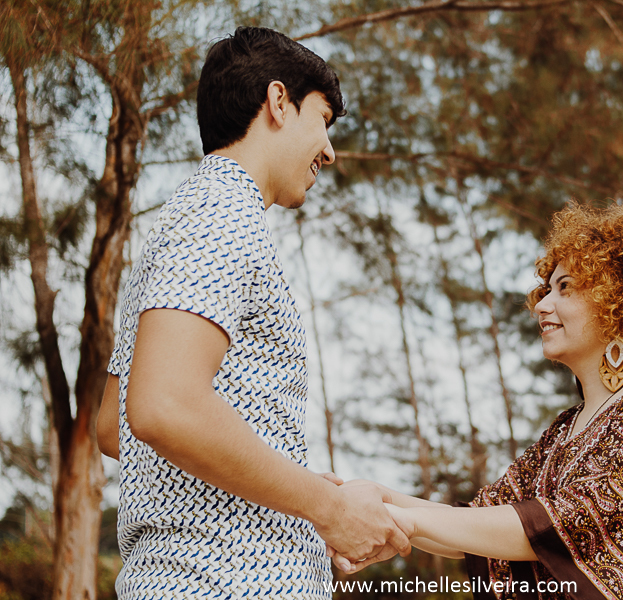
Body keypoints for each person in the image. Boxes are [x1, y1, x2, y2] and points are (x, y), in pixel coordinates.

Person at [96, 26, 409, 599]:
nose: (330, 150)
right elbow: (162, 407)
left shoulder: (178, 226)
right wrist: (328, 507)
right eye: (323, 120)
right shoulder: (222, 212)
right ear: (279, 102)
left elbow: (113, 427)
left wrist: (293, 490)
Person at [334, 202, 623, 599]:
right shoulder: (565, 430)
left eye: (565, 288)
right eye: (546, 289)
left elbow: (566, 524)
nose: (542, 305)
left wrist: (402, 520)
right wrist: (375, 498)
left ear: (620, 302)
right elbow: (477, 527)